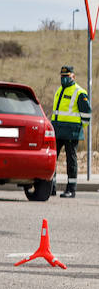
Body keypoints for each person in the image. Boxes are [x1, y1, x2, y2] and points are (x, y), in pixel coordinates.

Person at [51, 65, 91, 198]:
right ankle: (51, 187)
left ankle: (71, 189)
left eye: (66, 76)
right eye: (62, 76)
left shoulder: (79, 92)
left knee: (71, 161)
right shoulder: (58, 90)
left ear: (73, 76)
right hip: (57, 131)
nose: (64, 79)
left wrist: (79, 128)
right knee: (51, 159)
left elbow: (87, 115)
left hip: (71, 132)